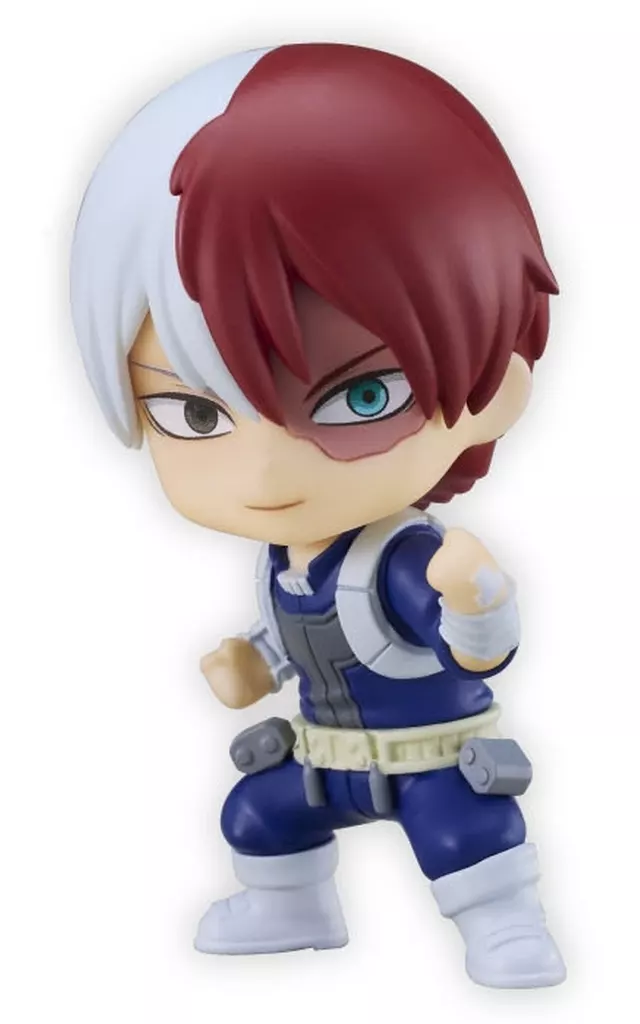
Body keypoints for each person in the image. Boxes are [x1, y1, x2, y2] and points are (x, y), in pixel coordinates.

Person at [71, 42, 566, 988]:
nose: (265, 471)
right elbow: (285, 643)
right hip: (322, 757)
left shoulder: (406, 560)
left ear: (497, 383)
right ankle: (290, 905)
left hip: (427, 761)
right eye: (195, 415)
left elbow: (480, 652)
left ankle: (504, 922)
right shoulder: (282, 564)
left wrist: (477, 599)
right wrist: (249, 666)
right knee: (257, 812)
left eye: (359, 397)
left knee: (465, 835)